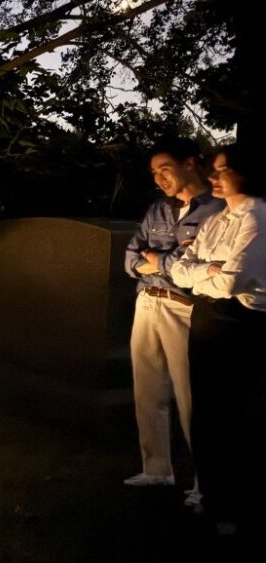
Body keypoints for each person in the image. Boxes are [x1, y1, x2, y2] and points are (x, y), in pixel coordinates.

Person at [123, 138, 223, 509]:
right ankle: (157, 468)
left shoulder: (217, 211)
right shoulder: (158, 210)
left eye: (165, 168)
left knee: (190, 396)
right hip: (147, 303)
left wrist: (160, 262)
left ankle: (205, 482)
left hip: (184, 308)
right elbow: (131, 259)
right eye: (154, 173)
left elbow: (195, 269)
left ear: (190, 164)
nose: (159, 178)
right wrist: (164, 262)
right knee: (147, 389)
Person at [171, 143, 266, 536]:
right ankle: (212, 498)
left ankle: (236, 507)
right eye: (214, 170)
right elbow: (178, 270)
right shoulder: (216, 219)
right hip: (206, 317)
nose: (213, 177)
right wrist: (202, 269)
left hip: (240, 321)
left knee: (234, 414)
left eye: (222, 170)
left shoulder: (259, 216)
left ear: (245, 171)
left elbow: (232, 281)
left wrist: (203, 269)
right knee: (205, 412)